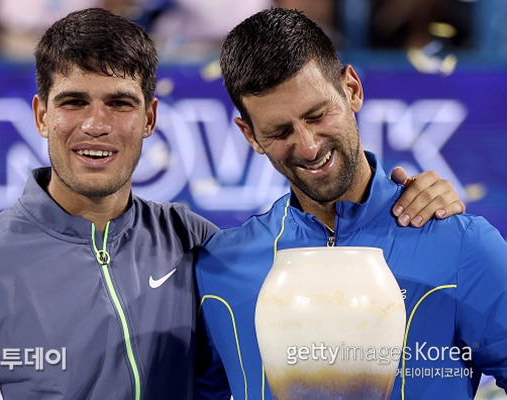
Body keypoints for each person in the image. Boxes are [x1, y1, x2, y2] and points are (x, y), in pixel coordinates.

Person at [0, 7, 463, 399]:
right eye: (73, 101)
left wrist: (408, 204)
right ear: (40, 115)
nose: (96, 125)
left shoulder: (195, 244)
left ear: (149, 118)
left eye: (120, 103)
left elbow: (318, 245)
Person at [193, 7, 507, 400]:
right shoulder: (217, 268)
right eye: (279, 131)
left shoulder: (463, 245)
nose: (308, 146)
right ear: (250, 135)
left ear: (352, 89)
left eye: (317, 114)